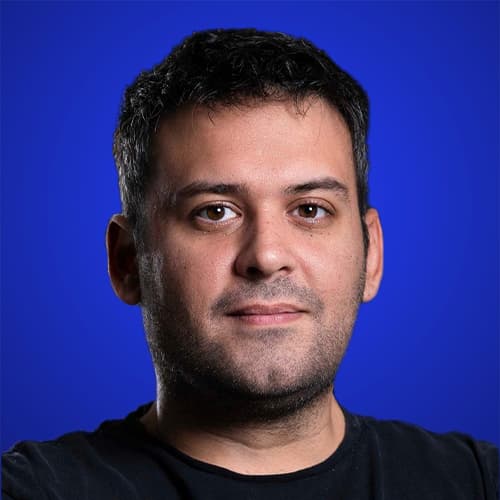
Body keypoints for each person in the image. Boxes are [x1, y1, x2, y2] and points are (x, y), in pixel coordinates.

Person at [2, 28, 498, 500]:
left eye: (310, 210)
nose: (266, 256)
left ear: (371, 254)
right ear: (127, 260)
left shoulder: (478, 483)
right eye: (215, 212)